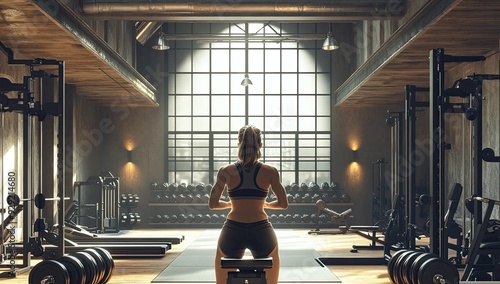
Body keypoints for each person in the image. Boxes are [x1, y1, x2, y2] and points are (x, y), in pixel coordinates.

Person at [209, 125, 288, 284]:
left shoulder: (226, 171)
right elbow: (283, 204)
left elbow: (213, 204)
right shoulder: (270, 171)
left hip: (233, 230)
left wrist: (232, 204)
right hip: (261, 231)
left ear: (239, 144)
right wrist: (265, 204)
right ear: (260, 145)